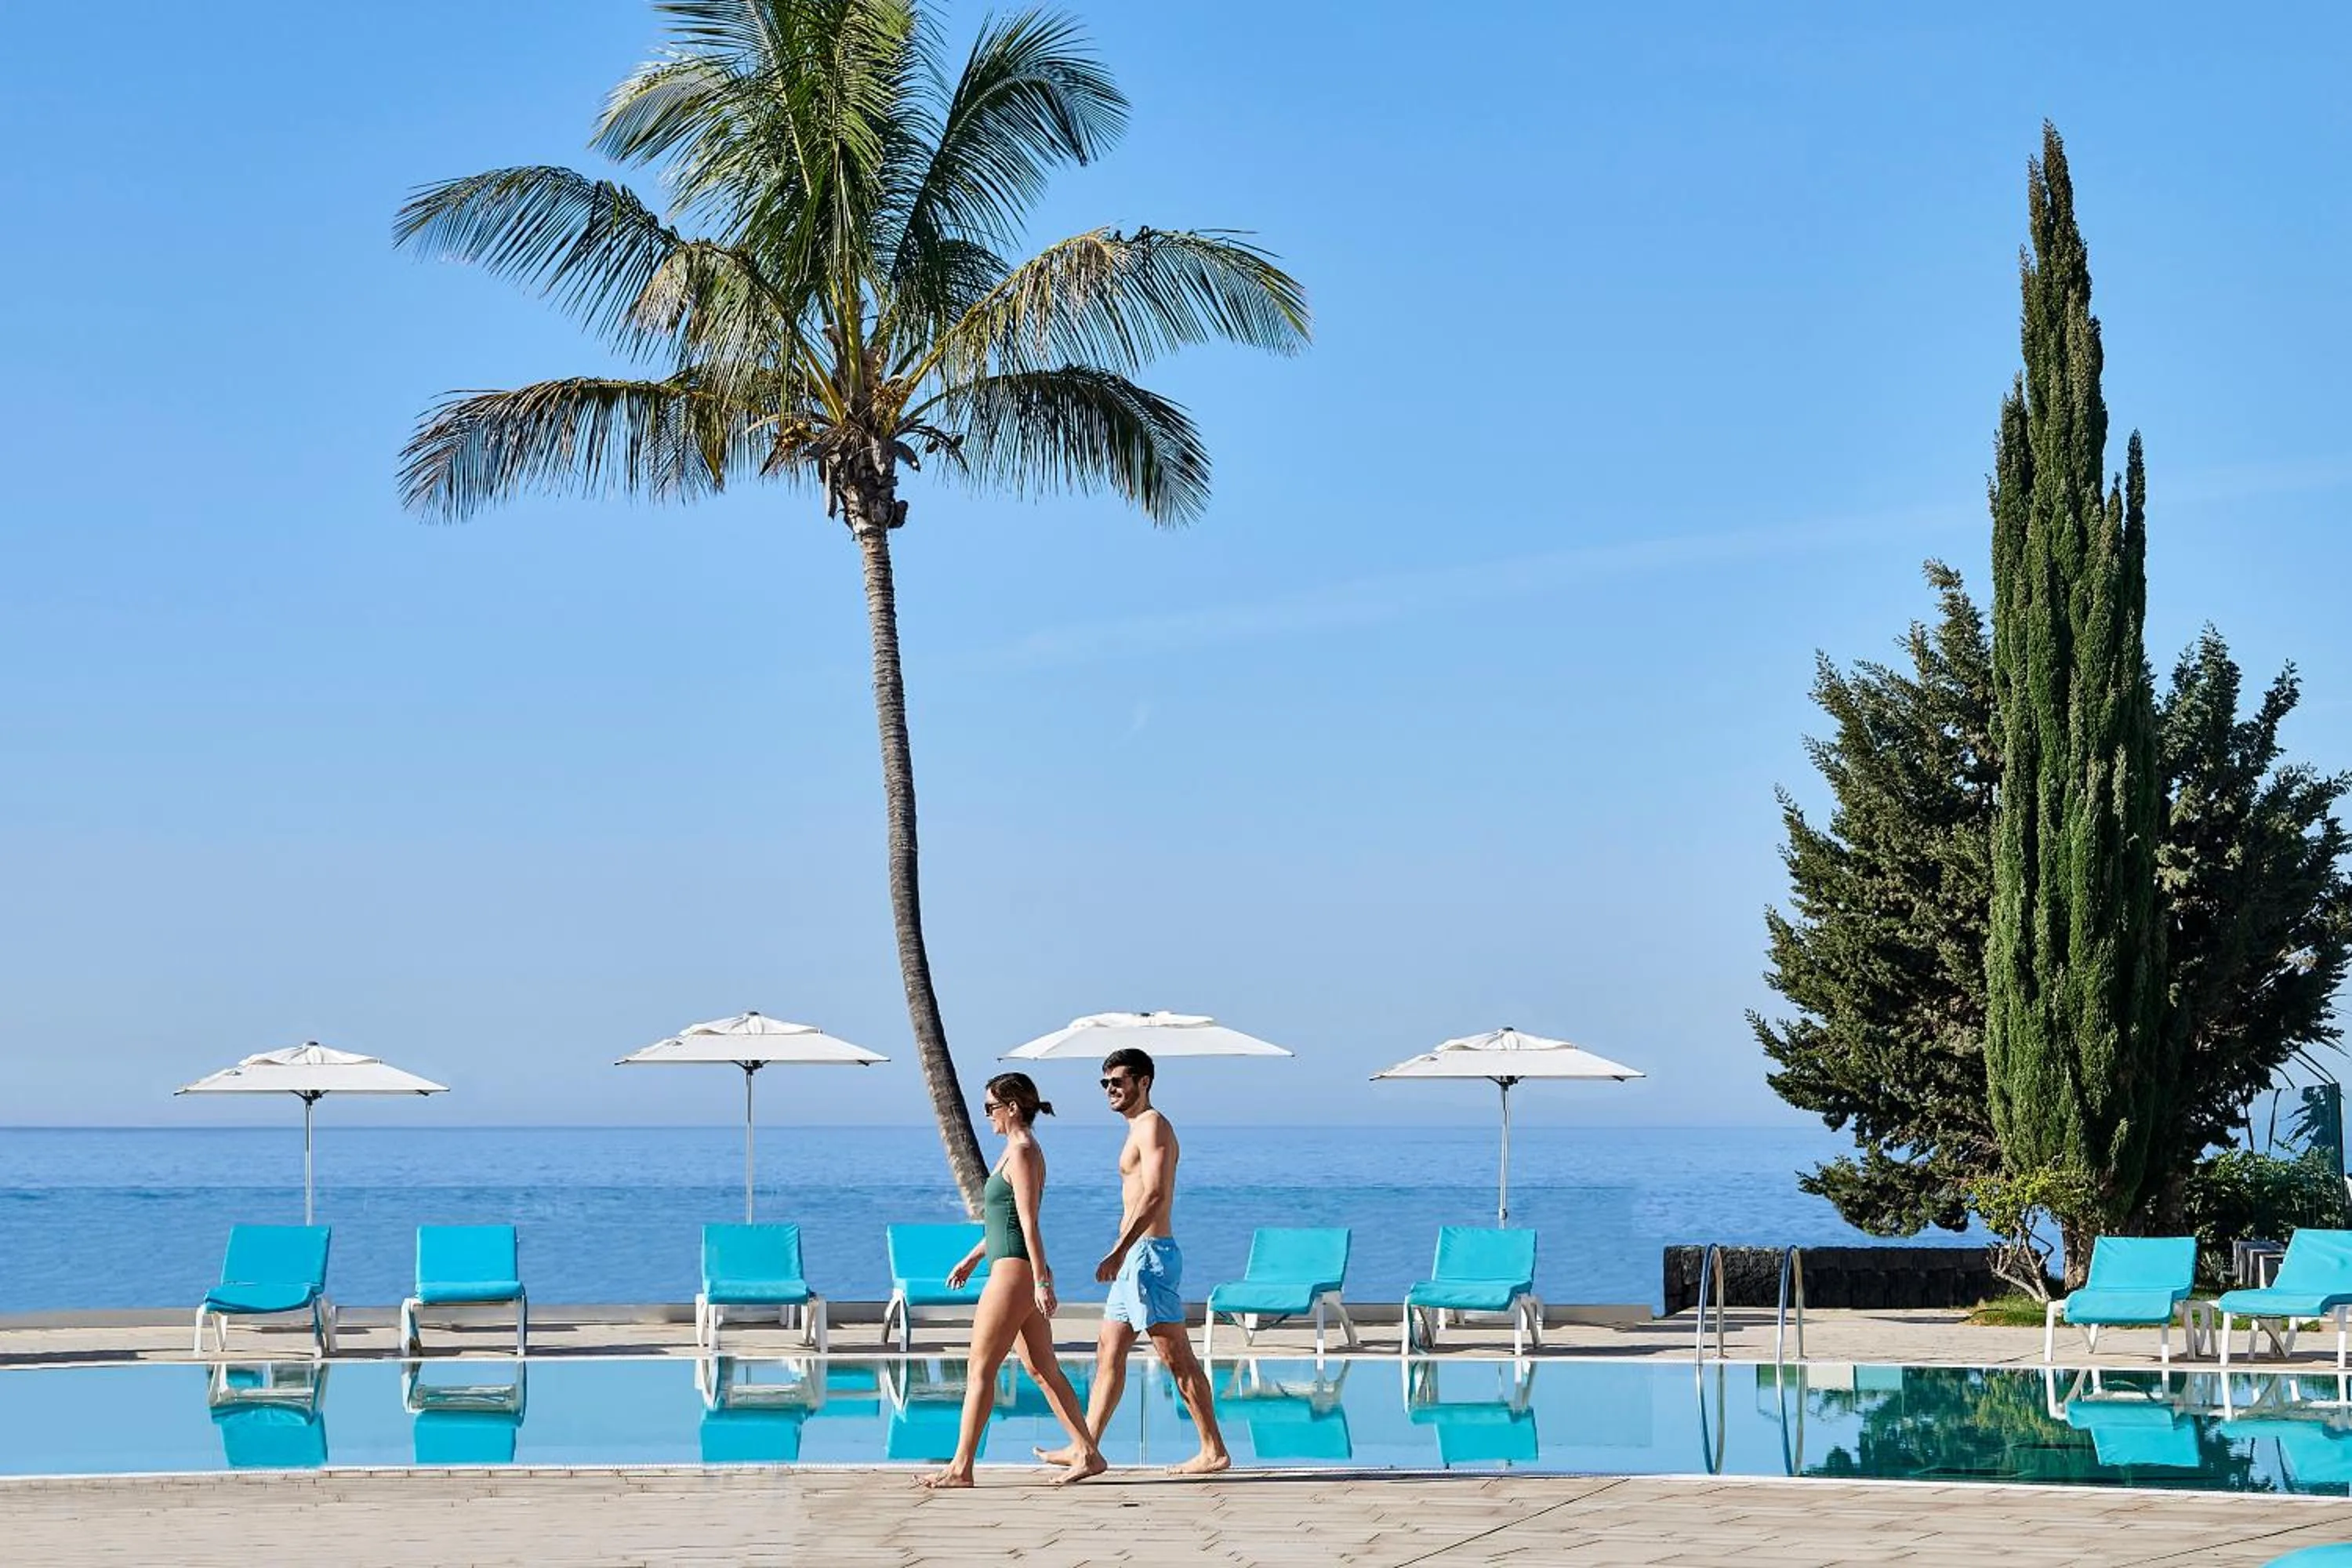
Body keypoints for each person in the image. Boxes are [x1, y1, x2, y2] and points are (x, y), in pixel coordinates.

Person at [1035, 1047, 1231, 1476]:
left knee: (1176, 1357)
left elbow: (1155, 1194)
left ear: (1144, 1082)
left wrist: (1121, 1250)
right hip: (1134, 1259)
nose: (1110, 1090)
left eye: (1119, 1081)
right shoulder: (1136, 1128)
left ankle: (1212, 1449)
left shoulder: (1154, 1125)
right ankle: (1086, 1449)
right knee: (1108, 1351)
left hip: (1148, 1256)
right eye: (1105, 1083)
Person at [920, 1072, 1106, 1489]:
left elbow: (1028, 1222)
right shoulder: (1012, 1151)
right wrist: (970, 1259)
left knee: (980, 1370)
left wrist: (1041, 1280)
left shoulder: (1022, 1152)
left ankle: (960, 1468)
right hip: (1010, 1266)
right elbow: (1001, 1224)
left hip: (1015, 1274)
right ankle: (1088, 1453)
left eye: (990, 1107)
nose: (986, 1115)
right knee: (1042, 1369)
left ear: (1012, 1107)